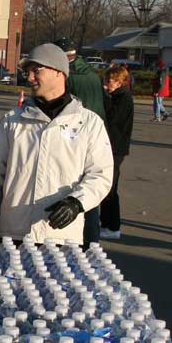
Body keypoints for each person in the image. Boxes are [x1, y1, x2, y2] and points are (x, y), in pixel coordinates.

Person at [0, 43, 113, 245]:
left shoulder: (88, 123)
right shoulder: (12, 121)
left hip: (62, 237)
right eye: (27, 71)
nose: (29, 77)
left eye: (36, 70)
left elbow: (101, 174)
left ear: (59, 72)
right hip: (14, 233)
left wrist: (76, 202)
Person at [64, 41, 106, 245]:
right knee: (90, 189)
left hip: (74, 132)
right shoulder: (91, 74)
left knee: (73, 187)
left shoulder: (68, 76)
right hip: (97, 130)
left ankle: (82, 240)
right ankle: (92, 240)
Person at [99, 63, 135, 240]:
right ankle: (106, 223)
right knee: (107, 187)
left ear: (119, 82)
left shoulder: (123, 98)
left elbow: (112, 118)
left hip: (116, 147)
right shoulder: (119, 96)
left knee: (110, 188)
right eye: (107, 80)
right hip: (114, 146)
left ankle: (112, 226)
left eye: (111, 81)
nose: (108, 84)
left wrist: (105, 97)